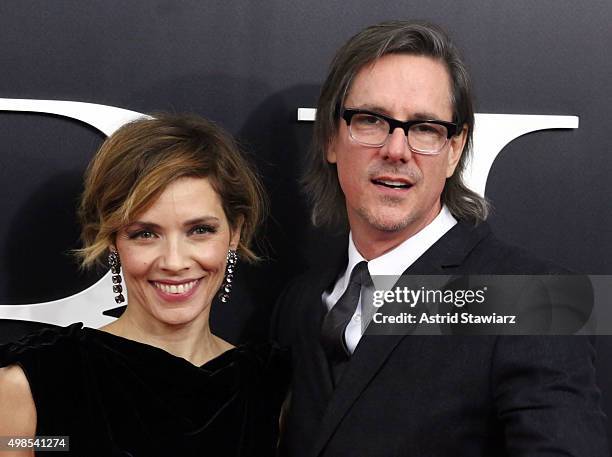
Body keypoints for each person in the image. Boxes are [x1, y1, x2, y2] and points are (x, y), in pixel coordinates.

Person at [272, 21, 609, 456]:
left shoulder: (532, 300)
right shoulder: (298, 302)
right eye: (371, 120)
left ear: (454, 149)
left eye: (425, 128)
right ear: (332, 139)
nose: (396, 149)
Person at [0, 114, 286, 456]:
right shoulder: (38, 383)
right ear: (112, 241)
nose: (174, 261)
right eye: (145, 234)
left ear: (235, 233)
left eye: (199, 230)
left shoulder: (271, 389)